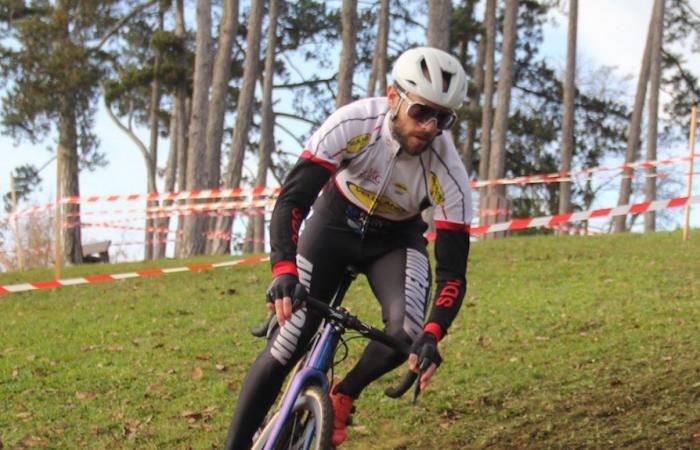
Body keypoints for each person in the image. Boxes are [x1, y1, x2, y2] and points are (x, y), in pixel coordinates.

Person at [224, 46, 473, 449]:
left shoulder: (449, 172)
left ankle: (344, 394)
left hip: (394, 242)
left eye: (442, 118)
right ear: (394, 98)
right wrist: (284, 269)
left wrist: (433, 332)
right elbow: (292, 199)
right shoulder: (354, 122)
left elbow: (452, 272)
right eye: (421, 112)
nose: (430, 127)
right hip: (333, 225)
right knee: (287, 345)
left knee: (407, 332)